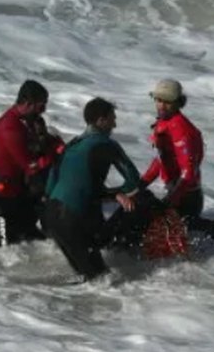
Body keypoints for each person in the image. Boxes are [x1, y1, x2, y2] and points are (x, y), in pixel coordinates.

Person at [43, 97, 143, 280]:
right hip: (71, 218)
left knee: (86, 277)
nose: (115, 124)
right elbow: (133, 179)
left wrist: (101, 195)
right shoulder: (106, 144)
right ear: (101, 120)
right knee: (100, 280)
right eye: (112, 118)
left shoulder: (72, 144)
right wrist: (117, 194)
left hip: (51, 215)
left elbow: (50, 184)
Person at [142, 79, 214, 237]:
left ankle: (213, 227)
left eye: (167, 102)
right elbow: (160, 160)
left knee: (172, 233)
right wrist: (141, 184)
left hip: (187, 197)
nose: (161, 106)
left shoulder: (180, 129)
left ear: (179, 103)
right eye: (158, 100)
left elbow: (188, 171)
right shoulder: (163, 123)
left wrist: (170, 200)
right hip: (176, 190)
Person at [0, 80, 64, 247]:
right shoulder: (9, 128)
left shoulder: (29, 122)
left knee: (42, 243)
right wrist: (53, 154)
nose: (43, 111)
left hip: (23, 197)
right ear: (28, 104)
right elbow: (30, 166)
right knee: (5, 253)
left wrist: (55, 144)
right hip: (3, 202)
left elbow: (46, 142)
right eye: (41, 107)